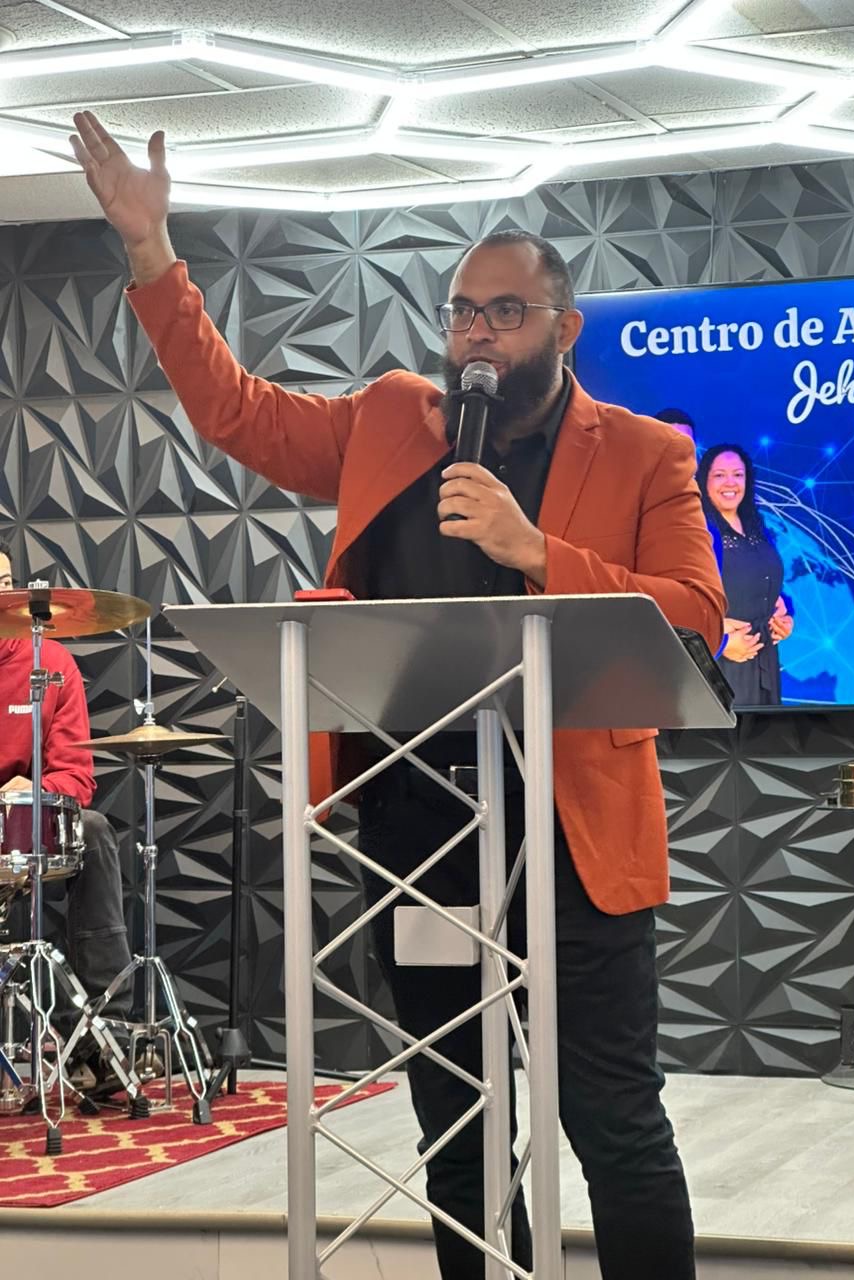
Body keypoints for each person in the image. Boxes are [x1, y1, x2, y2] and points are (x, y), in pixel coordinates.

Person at [70, 110, 726, 1280]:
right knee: (458, 1125)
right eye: (462, 311)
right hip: (422, 831)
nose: (477, 333)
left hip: (573, 837)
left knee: (613, 1122)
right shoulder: (390, 418)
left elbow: (695, 612)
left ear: (565, 326)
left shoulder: (643, 452)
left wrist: (536, 549)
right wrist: (150, 250)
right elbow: (234, 410)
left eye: (505, 311)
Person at [0, 542, 133, 1078]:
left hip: (23, 821)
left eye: (5, 583)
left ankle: (104, 1034)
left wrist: (30, 792)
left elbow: (77, 775)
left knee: (93, 831)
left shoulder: (51, 662)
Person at [695, 444, 794, 706]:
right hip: (722, 664)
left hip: (764, 661)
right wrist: (721, 640)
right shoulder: (697, 530)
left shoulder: (756, 526)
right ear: (704, 481)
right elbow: (680, 598)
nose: (730, 483)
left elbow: (765, 581)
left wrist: (785, 615)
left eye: (738, 475)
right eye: (719, 475)